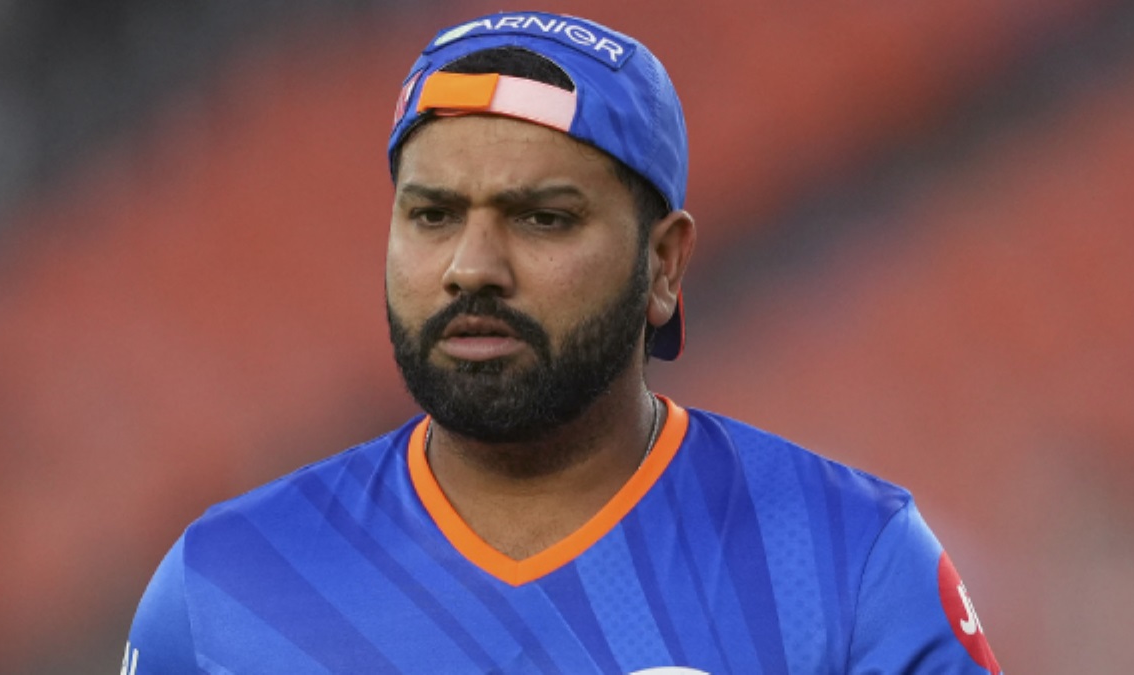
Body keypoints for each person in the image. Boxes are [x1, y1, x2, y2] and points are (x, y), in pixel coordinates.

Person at [125, 11, 1001, 674]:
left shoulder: (852, 564)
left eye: (542, 218)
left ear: (664, 264)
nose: (472, 267)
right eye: (432, 215)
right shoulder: (221, 587)